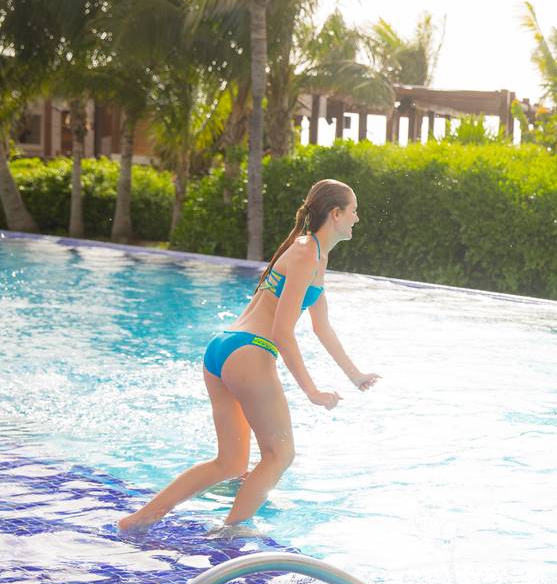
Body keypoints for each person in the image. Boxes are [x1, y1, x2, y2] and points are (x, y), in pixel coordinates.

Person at [119, 179, 379, 531]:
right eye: (353, 211)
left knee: (229, 464)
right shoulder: (306, 252)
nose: (357, 218)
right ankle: (229, 536)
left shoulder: (315, 254)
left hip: (224, 348)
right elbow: (282, 334)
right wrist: (312, 392)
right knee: (280, 454)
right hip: (249, 352)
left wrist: (355, 375)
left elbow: (322, 327)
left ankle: (138, 521)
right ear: (336, 214)